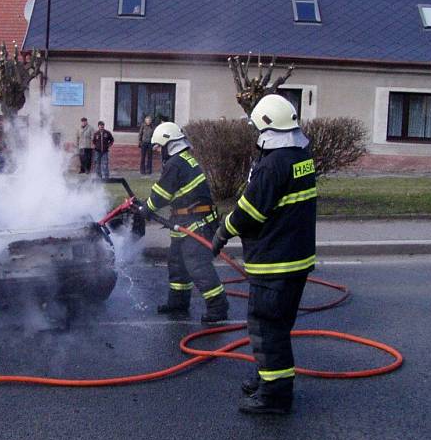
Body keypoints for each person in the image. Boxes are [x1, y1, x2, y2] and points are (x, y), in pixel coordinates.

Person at [211, 94, 317, 415]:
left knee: (265, 326)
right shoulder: (301, 157)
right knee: (278, 326)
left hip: (275, 261)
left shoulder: (272, 165)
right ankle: (267, 377)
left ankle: (274, 396)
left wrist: (222, 231)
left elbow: (248, 212)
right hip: (296, 259)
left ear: (267, 128)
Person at [136, 122, 228, 323]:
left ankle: (218, 307)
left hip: (196, 222)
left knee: (198, 266)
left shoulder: (176, 163)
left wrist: (146, 208)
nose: (159, 152)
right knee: (177, 264)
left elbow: (161, 194)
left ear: (170, 143)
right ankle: (178, 302)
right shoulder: (183, 160)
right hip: (185, 220)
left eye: (160, 147)